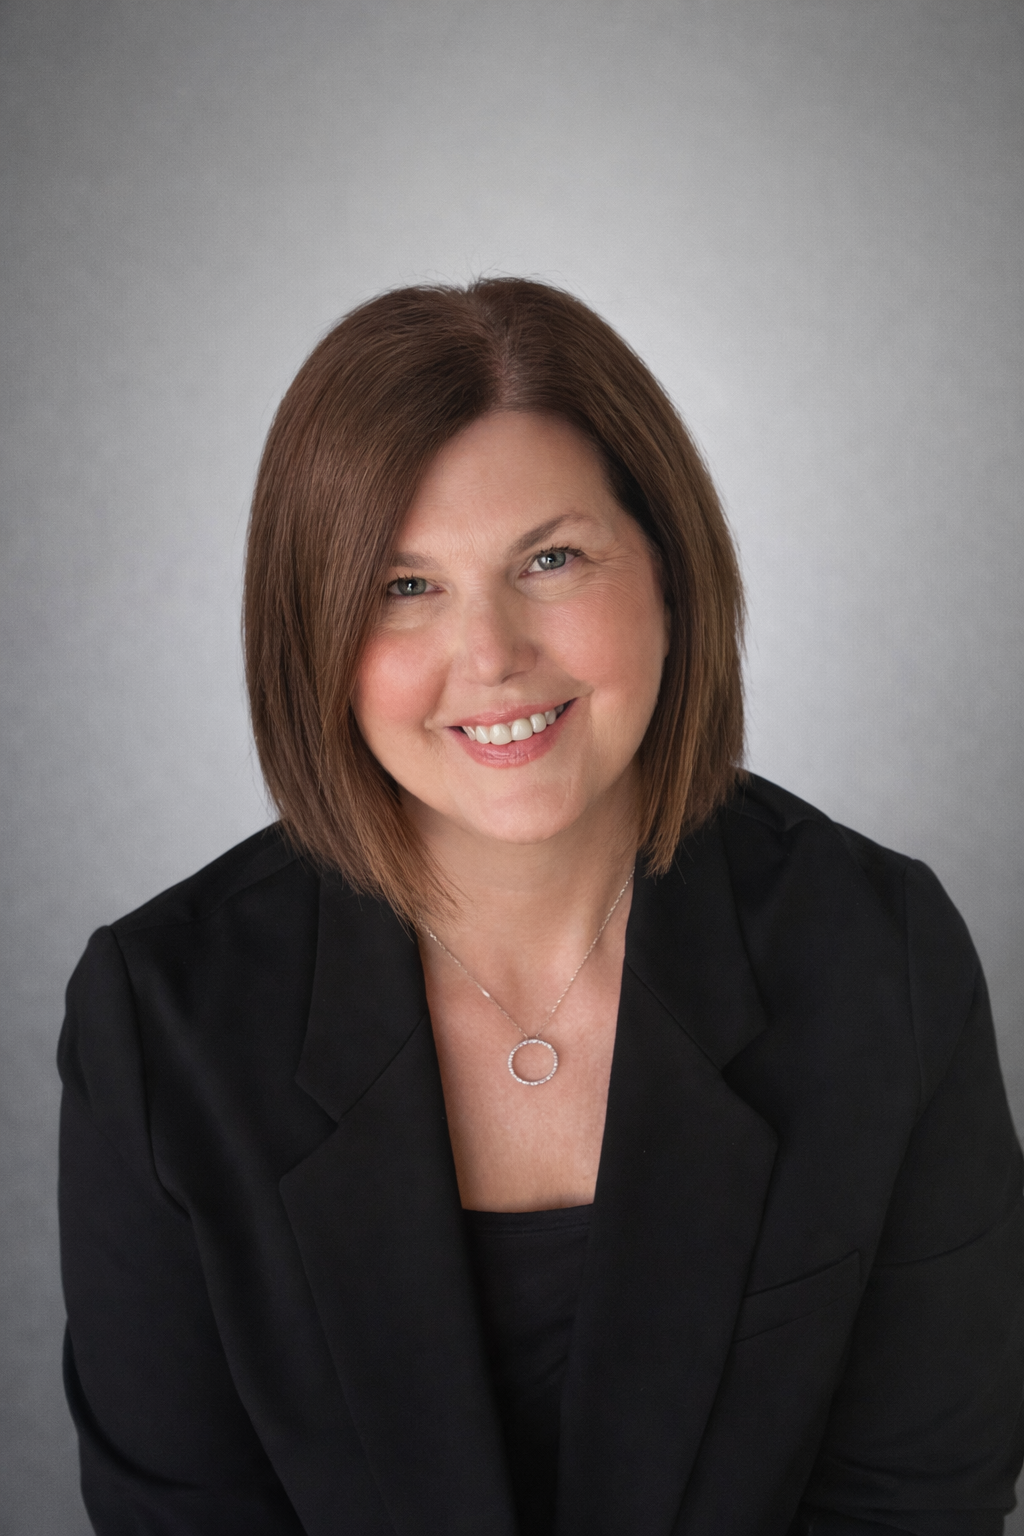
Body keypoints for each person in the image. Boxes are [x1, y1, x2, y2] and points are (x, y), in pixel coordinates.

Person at [58, 278, 1024, 1536]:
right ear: (311, 635)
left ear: (670, 578)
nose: (494, 653)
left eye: (551, 559)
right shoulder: (161, 1022)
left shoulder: (879, 955)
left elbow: (920, 1498)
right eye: (404, 587)